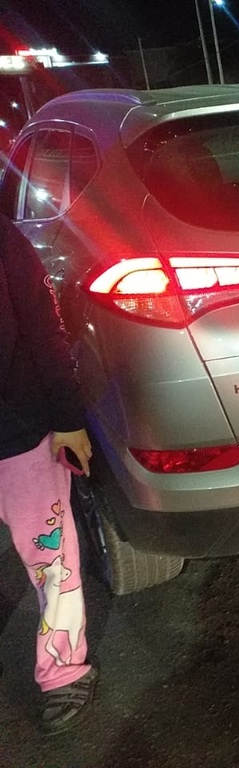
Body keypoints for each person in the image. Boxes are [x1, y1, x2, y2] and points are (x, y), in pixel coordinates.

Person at [0, 214, 97, 734]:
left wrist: (66, 417)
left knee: (51, 562)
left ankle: (63, 671)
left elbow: (42, 322)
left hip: (18, 431)